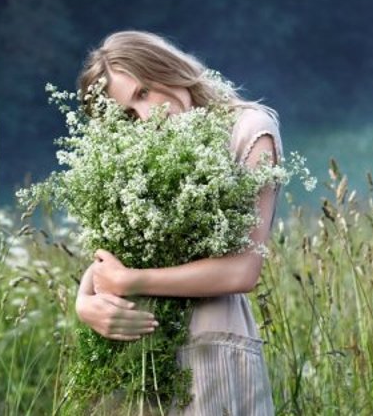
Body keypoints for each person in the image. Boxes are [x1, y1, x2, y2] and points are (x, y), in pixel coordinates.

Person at [73, 30, 281, 416]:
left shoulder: (248, 129)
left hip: (212, 348)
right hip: (140, 353)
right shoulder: (144, 151)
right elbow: (114, 256)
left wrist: (132, 281)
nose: (147, 116)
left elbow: (243, 269)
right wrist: (84, 302)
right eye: (129, 114)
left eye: (142, 93)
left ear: (163, 66)